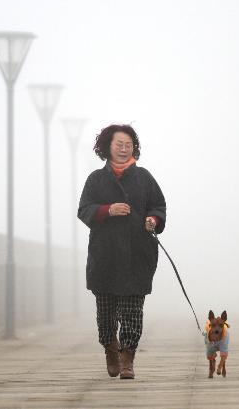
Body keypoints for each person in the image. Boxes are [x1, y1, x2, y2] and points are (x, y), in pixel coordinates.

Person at [77, 124, 166, 380]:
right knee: (105, 314)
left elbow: (158, 207)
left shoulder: (145, 177)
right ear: (107, 147)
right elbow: (84, 210)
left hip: (138, 255)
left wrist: (153, 220)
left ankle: (128, 358)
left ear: (133, 147)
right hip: (104, 256)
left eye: (128, 144)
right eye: (119, 144)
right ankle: (110, 348)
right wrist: (108, 210)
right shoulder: (95, 179)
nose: (124, 149)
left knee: (132, 311)